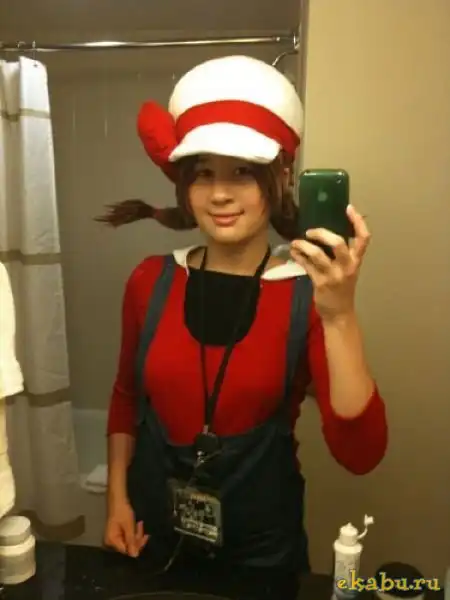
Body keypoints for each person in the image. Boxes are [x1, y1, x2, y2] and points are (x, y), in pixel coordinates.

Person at [98, 55, 388, 595]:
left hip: (261, 553)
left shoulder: (306, 293)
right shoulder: (149, 281)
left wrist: (340, 314)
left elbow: (361, 454)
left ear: (280, 178)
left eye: (242, 172)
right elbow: (125, 398)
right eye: (204, 172)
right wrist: (117, 498)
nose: (219, 194)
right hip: (153, 533)